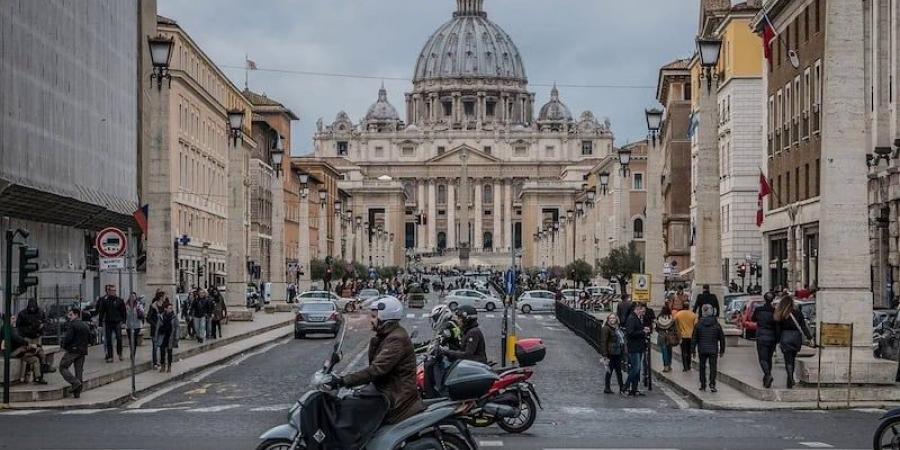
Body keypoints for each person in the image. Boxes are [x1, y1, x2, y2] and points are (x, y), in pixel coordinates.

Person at [326, 296, 425, 425]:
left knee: (351, 408)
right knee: (351, 401)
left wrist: (343, 381)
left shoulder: (396, 339)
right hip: (386, 390)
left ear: (384, 318)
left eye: (373, 317)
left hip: (395, 396)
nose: (370, 320)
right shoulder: (386, 336)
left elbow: (376, 370)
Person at [774, 293, 812, 389]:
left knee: (788, 359)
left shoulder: (781, 313)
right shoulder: (797, 313)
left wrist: (778, 340)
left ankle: (790, 377)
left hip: (785, 337)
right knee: (793, 358)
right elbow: (803, 326)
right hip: (796, 338)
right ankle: (790, 379)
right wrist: (809, 337)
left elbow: (777, 329)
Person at [1, 316, 47, 384]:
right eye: (12, 318)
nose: (14, 320)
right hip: (11, 352)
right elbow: (17, 339)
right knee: (37, 349)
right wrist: (26, 343)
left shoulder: (11, 328)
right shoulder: (6, 328)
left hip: (17, 351)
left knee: (35, 359)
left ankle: (38, 377)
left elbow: (18, 338)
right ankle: (44, 365)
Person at [692, 304, 725, 392]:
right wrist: (722, 350)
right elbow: (722, 338)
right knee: (713, 367)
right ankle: (712, 384)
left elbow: (694, 338)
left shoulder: (698, 324)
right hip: (713, 349)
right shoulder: (717, 325)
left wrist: (693, 350)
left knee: (702, 367)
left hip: (702, 349)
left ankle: (703, 384)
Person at [59, 308, 91, 397]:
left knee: (62, 367)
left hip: (73, 350)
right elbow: (90, 337)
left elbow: (68, 338)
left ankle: (75, 382)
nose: (69, 317)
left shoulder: (72, 325)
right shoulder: (85, 325)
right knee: (79, 371)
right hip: (82, 351)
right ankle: (77, 393)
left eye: (71, 315)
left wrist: (64, 346)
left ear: (76, 315)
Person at [752, 291, 778, 388]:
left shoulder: (759, 310)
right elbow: (777, 325)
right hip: (772, 337)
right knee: (769, 358)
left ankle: (768, 375)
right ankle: (766, 378)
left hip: (761, 336)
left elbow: (753, 319)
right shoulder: (774, 311)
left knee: (762, 358)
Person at [623, 303, 649, 396]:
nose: (644, 312)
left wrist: (643, 330)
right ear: (638, 309)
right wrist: (643, 332)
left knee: (637, 370)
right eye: (643, 310)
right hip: (634, 347)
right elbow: (630, 332)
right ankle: (625, 387)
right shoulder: (631, 318)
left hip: (639, 346)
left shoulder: (637, 318)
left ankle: (634, 389)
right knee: (635, 368)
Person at [96, 284, 126, 362]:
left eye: (114, 290)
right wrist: (100, 324)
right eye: (111, 291)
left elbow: (123, 312)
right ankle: (110, 356)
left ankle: (120, 353)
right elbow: (101, 312)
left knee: (119, 338)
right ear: (108, 291)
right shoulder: (104, 300)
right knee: (108, 340)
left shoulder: (119, 300)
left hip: (117, 322)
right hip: (108, 322)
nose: (113, 292)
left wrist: (124, 322)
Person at [599, 313, 625, 394]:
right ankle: (607, 388)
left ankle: (621, 387)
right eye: (610, 318)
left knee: (618, 371)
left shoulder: (617, 328)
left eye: (614, 318)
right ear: (608, 319)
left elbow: (621, 339)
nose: (612, 319)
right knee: (609, 371)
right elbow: (603, 342)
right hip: (610, 353)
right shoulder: (606, 328)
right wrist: (605, 354)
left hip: (617, 352)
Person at [156, 300, 179, 373]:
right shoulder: (161, 316)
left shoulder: (174, 317)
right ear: (165, 309)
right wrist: (156, 336)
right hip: (163, 336)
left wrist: (177, 337)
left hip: (170, 337)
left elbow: (177, 327)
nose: (171, 309)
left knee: (169, 352)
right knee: (162, 352)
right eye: (169, 308)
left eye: (171, 308)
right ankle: (163, 366)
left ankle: (169, 366)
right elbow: (157, 326)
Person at [674, 301, 698, 371]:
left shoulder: (678, 314)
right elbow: (696, 325)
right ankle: (689, 365)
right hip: (691, 336)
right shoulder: (693, 315)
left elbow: (675, 322)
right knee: (689, 351)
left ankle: (685, 367)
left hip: (682, 335)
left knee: (684, 352)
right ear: (688, 307)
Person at [655, 305, 678, 373]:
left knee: (664, 352)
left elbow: (657, 328)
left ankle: (666, 366)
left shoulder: (659, 318)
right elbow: (674, 328)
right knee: (669, 351)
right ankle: (669, 364)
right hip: (669, 337)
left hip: (661, 337)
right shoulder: (671, 319)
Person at [147, 291, 163, 369]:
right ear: (160, 297)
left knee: (162, 345)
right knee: (155, 346)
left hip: (163, 329)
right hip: (155, 329)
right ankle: (155, 362)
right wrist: (155, 324)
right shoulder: (153, 306)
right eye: (164, 296)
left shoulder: (164, 305)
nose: (165, 298)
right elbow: (148, 318)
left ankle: (160, 361)